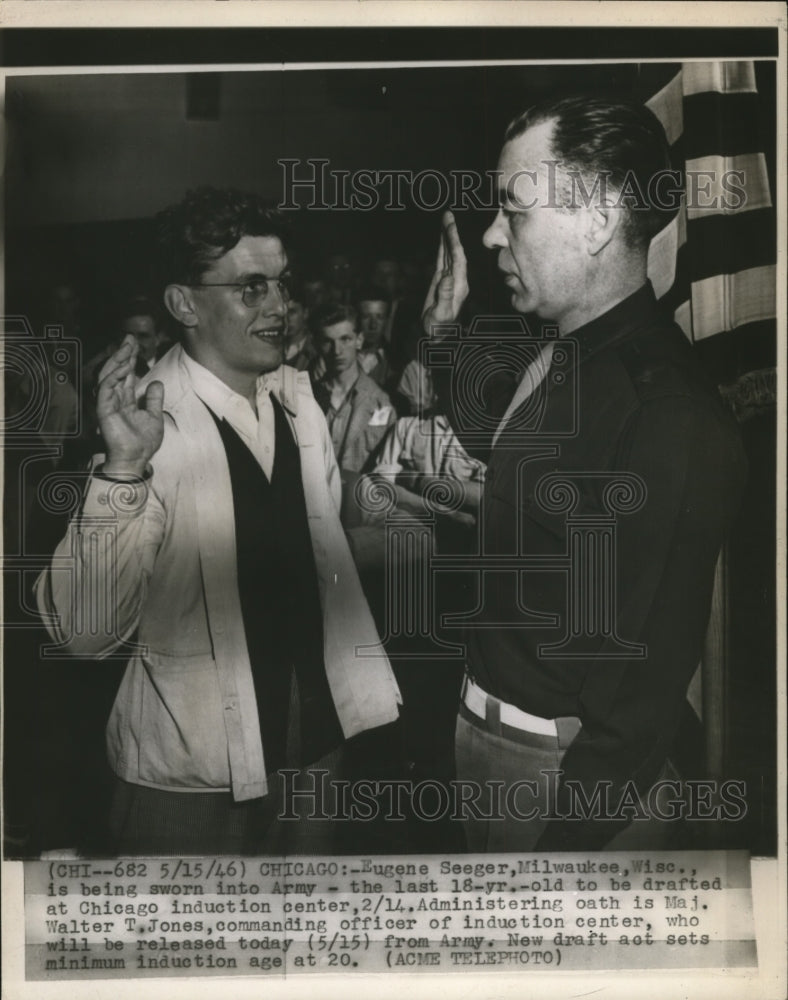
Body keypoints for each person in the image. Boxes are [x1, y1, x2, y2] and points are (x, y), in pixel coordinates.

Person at [421, 95, 747, 851]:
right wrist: (442, 337)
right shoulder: (568, 352)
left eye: (514, 211)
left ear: (598, 221)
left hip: (565, 779)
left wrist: (563, 862)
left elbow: (637, 703)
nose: (493, 234)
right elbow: (521, 477)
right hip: (492, 746)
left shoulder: (669, 414)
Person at [35, 187, 401, 855]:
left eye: (282, 284)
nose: (280, 307)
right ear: (183, 304)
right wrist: (121, 471)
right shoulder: (146, 423)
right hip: (193, 775)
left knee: (302, 944)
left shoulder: (300, 404)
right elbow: (84, 633)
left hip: (315, 746)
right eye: (251, 288)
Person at [311, 302, 396, 523]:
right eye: (328, 342)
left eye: (345, 339)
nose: (337, 350)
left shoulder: (381, 402)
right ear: (318, 345)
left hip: (357, 515)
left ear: (359, 340)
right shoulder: (306, 398)